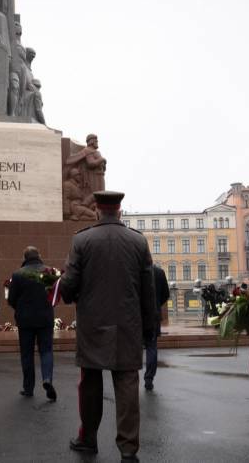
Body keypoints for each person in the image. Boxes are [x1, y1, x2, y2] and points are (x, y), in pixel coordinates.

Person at [60, 190, 157, 463]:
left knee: (89, 383)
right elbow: (147, 290)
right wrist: (149, 327)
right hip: (128, 324)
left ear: (97, 211)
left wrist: (65, 292)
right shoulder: (138, 241)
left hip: (92, 324)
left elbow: (69, 285)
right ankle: (128, 450)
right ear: (120, 212)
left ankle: (88, 439)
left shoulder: (82, 239)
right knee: (127, 385)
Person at [7, 246, 56, 400]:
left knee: (27, 354)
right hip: (45, 318)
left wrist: (21, 308)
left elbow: (11, 299)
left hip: (25, 319)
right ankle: (47, 378)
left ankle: (28, 388)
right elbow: (54, 293)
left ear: (24, 257)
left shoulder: (18, 274)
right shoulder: (48, 272)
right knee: (46, 350)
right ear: (39, 255)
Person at [144, 263, 170, 391]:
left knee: (133, 347)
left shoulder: (135, 271)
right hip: (153, 315)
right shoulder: (159, 272)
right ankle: (149, 378)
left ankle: (132, 378)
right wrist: (156, 304)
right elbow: (166, 294)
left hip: (137, 315)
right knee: (151, 346)